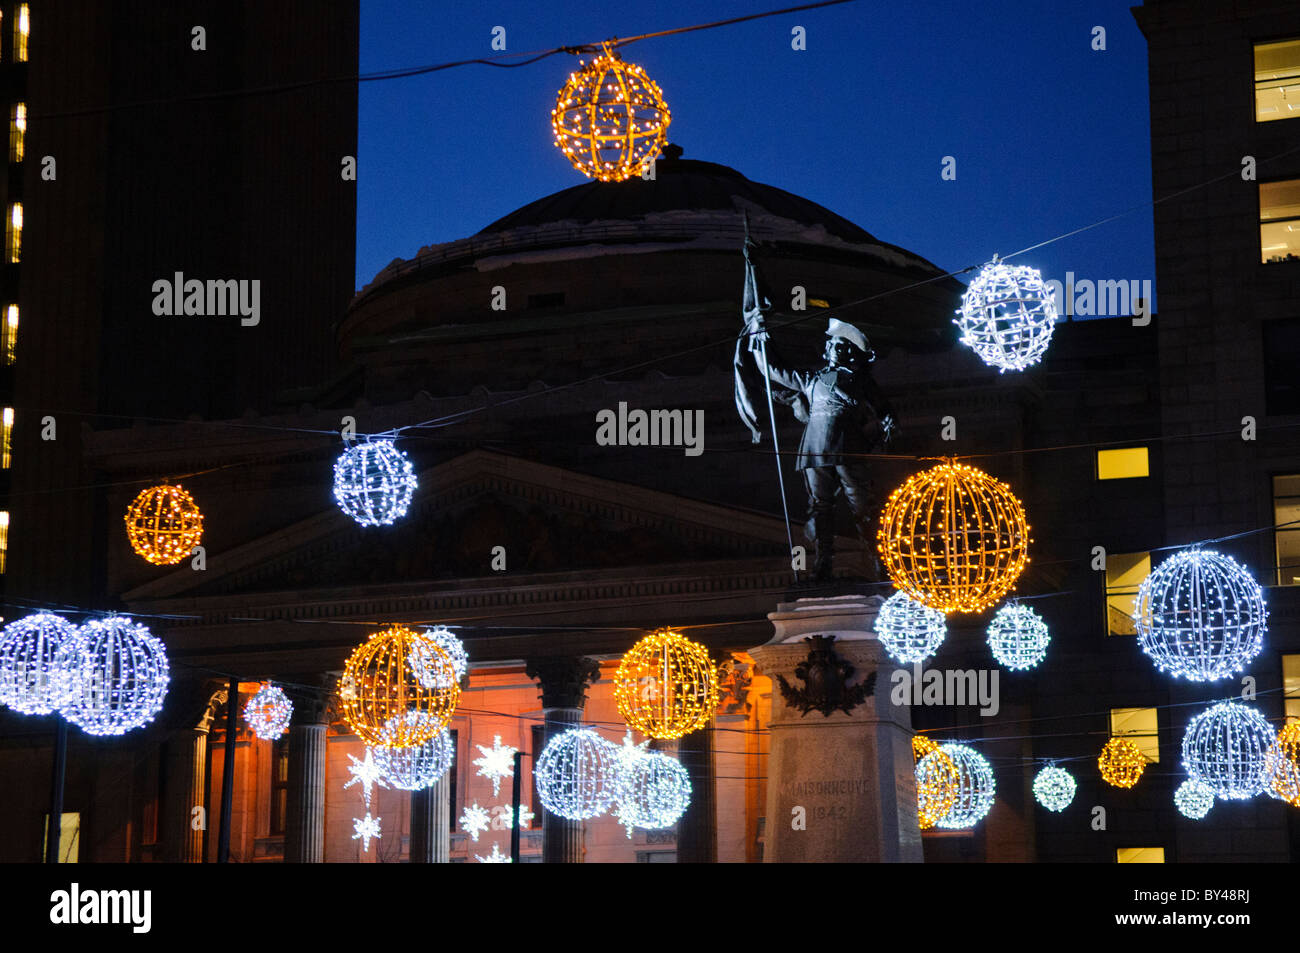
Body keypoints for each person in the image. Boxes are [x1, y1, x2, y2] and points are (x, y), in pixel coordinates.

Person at [747, 316, 896, 583]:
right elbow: (772, 370)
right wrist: (760, 340)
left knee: (862, 506)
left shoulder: (860, 381)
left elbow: (886, 411)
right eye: (835, 344)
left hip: (849, 446)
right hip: (816, 446)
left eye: (843, 346)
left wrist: (887, 424)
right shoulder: (810, 379)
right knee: (820, 507)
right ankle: (823, 563)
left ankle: (877, 559)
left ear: (850, 352)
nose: (838, 349)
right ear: (827, 349)